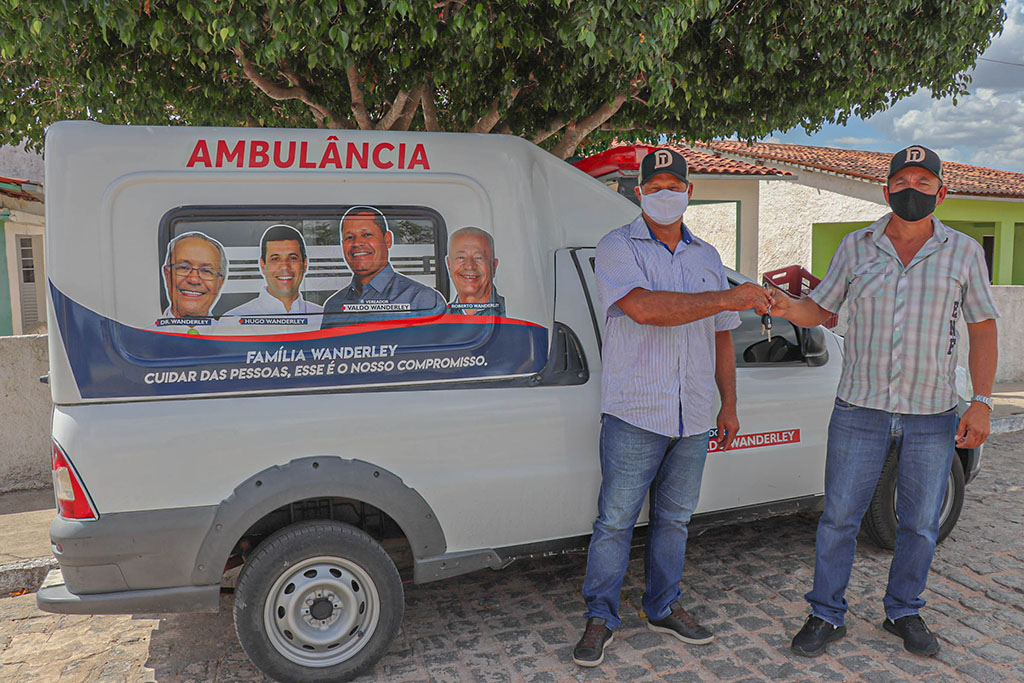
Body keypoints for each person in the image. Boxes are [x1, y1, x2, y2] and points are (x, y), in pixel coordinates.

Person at [774, 146, 999, 658]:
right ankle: (826, 614)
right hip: (860, 409)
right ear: (886, 189)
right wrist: (784, 304)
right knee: (839, 518)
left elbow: (982, 330)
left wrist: (981, 401)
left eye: (924, 181)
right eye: (902, 181)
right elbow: (819, 309)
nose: (912, 189)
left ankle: (904, 610)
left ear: (942, 192)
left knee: (919, 521)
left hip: (932, 414)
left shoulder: (963, 252)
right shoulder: (855, 248)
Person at [573, 148, 773, 667]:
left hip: (693, 415)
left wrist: (728, 404)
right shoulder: (617, 247)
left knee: (675, 520)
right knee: (615, 521)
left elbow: (722, 339)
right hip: (635, 411)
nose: (665, 193)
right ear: (638, 192)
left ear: (690, 192)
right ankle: (600, 617)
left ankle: (663, 606)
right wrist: (727, 298)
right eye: (655, 185)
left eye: (674, 185)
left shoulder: (706, 256)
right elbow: (643, 308)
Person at [321, 206, 446, 328]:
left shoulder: (422, 300)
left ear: (387, 240)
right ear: (342, 244)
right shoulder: (333, 305)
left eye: (367, 235)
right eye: (349, 237)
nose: (357, 243)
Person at [225, 224, 323, 330]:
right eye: (275, 259)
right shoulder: (233, 321)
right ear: (263, 265)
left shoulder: (323, 318)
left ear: (305, 264)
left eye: (293, 258)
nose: (285, 267)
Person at [155, 231, 227, 333]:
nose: (194, 279)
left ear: (220, 283)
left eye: (206, 271)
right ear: (167, 275)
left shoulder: (237, 339)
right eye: (183, 267)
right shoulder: (142, 340)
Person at [446, 226, 505, 316]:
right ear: (449, 265)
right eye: (461, 257)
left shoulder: (514, 313)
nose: (470, 266)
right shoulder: (439, 320)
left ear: (494, 266)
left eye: (478, 258)